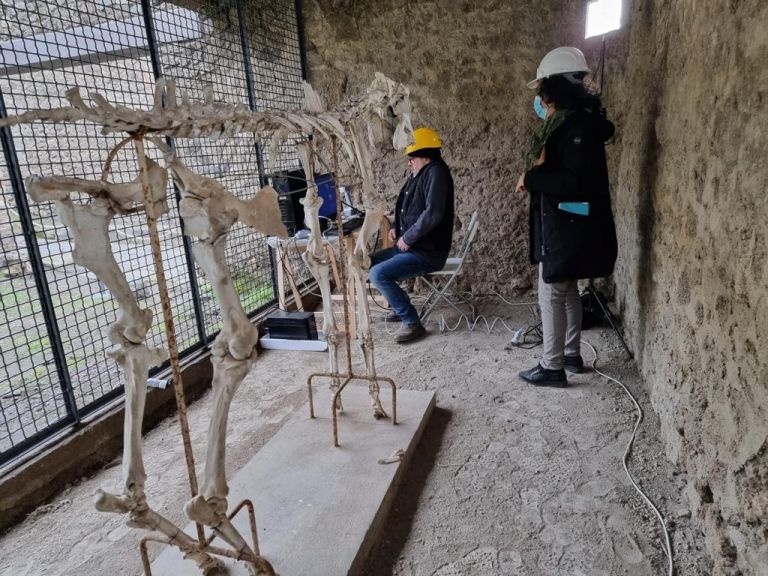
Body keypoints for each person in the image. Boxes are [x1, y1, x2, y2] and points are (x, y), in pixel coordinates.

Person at [516, 47, 618, 386]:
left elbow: (574, 182)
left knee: (552, 292)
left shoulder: (575, 126)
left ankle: (552, 365)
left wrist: (531, 179)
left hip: (567, 223)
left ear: (555, 86)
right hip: (570, 221)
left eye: (543, 87)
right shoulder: (579, 120)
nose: (541, 95)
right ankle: (571, 354)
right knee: (568, 287)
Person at [368, 127, 455, 344]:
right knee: (368, 263)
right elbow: (409, 207)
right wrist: (398, 226)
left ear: (425, 156)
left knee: (378, 274)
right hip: (412, 246)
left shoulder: (436, 173)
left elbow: (432, 214)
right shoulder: (419, 175)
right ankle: (399, 306)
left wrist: (407, 238)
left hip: (428, 252)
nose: (409, 162)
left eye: (412, 157)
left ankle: (413, 323)